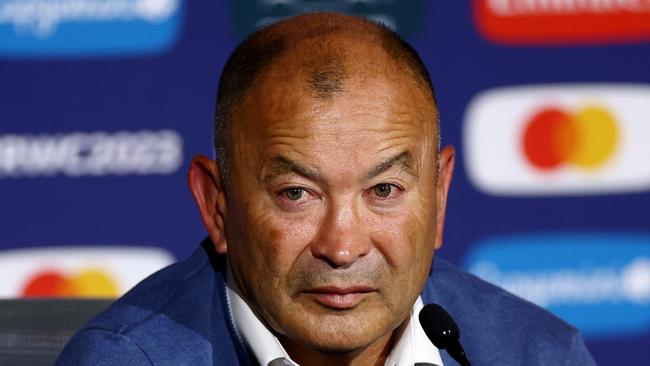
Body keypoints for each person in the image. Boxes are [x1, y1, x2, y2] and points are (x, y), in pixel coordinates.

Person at [56, 12, 595, 366]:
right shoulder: (128, 361)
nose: (342, 248)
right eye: (296, 194)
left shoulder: (538, 354)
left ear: (439, 194)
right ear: (217, 206)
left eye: (384, 190)